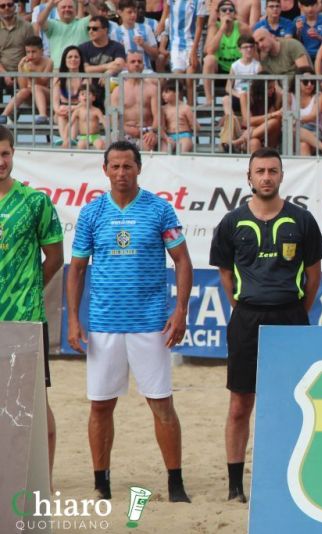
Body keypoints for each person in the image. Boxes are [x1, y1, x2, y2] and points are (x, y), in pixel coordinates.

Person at [66, 140, 192, 503]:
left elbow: (182, 261)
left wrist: (180, 309)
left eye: (128, 166)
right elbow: (76, 270)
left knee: (161, 404)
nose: (122, 173)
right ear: (104, 170)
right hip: (104, 324)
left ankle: (175, 483)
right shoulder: (92, 214)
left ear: (139, 168)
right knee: (101, 405)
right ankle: (101, 482)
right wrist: (73, 319)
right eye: (115, 166)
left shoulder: (159, 210)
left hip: (150, 323)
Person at [209, 147, 322, 502]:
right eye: (259, 171)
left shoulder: (302, 220)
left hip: (290, 318)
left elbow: (313, 275)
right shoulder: (232, 222)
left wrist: (293, 310)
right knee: (240, 404)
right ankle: (235, 487)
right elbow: (226, 275)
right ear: (249, 177)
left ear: (281, 175)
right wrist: (245, 308)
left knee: (295, 402)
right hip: (247, 319)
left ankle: (291, 478)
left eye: (272, 171)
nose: (266, 177)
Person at [0, 125, 63, 486]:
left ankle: (44, 480)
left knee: (34, 406)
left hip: (24, 321)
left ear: (13, 153)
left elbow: (54, 256)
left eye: (5, 153)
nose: (1, 161)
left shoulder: (34, 201)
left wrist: (26, 289)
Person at [202, 0, 251, 106]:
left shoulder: (242, 28)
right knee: (209, 59)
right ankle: (209, 100)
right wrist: (223, 28)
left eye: (231, 10)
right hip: (220, 70)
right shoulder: (214, 26)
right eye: (224, 10)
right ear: (219, 14)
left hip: (238, 71)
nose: (227, 12)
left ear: (235, 14)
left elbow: (252, 50)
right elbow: (209, 50)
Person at [111, 51, 159, 150]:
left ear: (143, 65)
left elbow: (157, 115)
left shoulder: (152, 89)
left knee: (147, 144)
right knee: (116, 148)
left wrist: (153, 132)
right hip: (124, 131)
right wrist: (127, 129)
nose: (136, 64)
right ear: (126, 65)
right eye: (132, 62)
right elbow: (113, 118)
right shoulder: (118, 91)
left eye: (139, 61)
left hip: (147, 131)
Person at [0, 36, 52, 125]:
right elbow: (22, 87)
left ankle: (43, 116)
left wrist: (34, 73)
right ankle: (4, 115)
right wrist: (20, 69)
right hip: (30, 96)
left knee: (36, 87)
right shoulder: (24, 63)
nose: (30, 55)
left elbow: (43, 82)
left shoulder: (48, 62)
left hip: (45, 95)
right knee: (24, 91)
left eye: (34, 52)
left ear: (41, 51)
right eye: (28, 52)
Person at [37, 0, 93, 71]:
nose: (67, 9)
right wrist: (50, 6)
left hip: (80, 70)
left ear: (75, 10)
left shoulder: (83, 23)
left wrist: (86, 3)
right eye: (63, 7)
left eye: (70, 7)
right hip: (58, 70)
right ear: (57, 11)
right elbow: (40, 21)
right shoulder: (53, 24)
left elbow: (99, 18)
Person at [110, 0, 160, 71]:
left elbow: (156, 56)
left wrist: (144, 45)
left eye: (135, 12)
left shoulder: (146, 28)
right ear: (120, 13)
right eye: (129, 12)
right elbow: (113, 60)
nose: (133, 15)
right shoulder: (114, 33)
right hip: (124, 73)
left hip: (145, 71)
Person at [0, 0, 34, 101]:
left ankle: (12, 111)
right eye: (2, 6)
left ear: (14, 7)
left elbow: (31, 52)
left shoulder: (27, 27)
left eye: (10, 5)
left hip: (22, 71)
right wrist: (5, 74)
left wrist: (20, 72)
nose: (6, 8)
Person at [160, 81, 197, 154]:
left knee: (182, 152)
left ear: (176, 93)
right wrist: (166, 138)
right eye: (162, 92)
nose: (163, 94)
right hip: (169, 136)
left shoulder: (186, 108)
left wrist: (194, 125)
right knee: (163, 153)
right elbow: (161, 128)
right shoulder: (163, 109)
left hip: (184, 136)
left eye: (166, 92)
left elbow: (195, 126)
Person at [70, 82, 107, 149]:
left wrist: (108, 136)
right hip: (83, 137)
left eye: (88, 94)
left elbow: (104, 122)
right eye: (82, 94)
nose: (85, 96)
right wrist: (66, 138)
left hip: (95, 136)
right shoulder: (77, 111)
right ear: (79, 98)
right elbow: (70, 123)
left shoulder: (96, 110)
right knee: (80, 145)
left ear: (93, 98)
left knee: (101, 145)